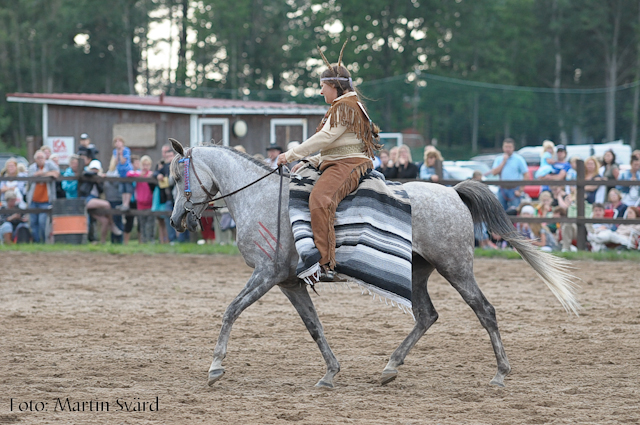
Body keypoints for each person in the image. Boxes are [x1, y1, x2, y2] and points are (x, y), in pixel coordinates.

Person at [276, 43, 381, 282]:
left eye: (323, 86)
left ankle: (325, 264)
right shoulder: (343, 106)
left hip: (347, 165)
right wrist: (309, 162)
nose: (321, 91)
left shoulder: (345, 107)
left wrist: (291, 155)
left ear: (334, 86)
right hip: (340, 161)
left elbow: (325, 138)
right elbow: (333, 146)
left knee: (320, 199)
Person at [486, 138, 529, 211]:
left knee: (515, 211)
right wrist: (504, 161)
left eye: (510, 147)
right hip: (502, 188)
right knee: (500, 211)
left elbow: (526, 174)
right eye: (506, 147)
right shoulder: (499, 159)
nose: (508, 149)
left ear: (513, 148)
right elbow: (494, 173)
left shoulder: (519, 159)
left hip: (514, 188)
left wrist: (520, 190)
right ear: (503, 147)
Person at [26, 150, 60, 243]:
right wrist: (45, 174)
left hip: (46, 201)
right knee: (33, 223)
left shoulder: (50, 165)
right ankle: (36, 242)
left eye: (42, 157)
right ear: (35, 159)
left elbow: (56, 173)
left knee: (42, 222)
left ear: (45, 158)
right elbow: (30, 177)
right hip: (33, 200)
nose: (40, 160)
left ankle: (44, 241)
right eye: (38, 158)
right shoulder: (32, 167)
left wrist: (42, 173)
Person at [128, 155, 156, 243]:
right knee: (142, 224)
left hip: (150, 203)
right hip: (140, 203)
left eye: (147, 165)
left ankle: (151, 240)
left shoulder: (152, 175)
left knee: (150, 224)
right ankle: (143, 241)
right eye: (143, 165)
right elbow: (128, 174)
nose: (145, 167)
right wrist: (141, 175)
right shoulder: (137, 174)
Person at [112, 136, 134, 211]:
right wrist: (117, 154)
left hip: (127, 172)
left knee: (128, 188)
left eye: (119, 141)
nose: (118, 143)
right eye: (116, 142)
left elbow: (123, 161)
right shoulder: (115, 151)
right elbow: (116, 162)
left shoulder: (126, 150)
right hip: (120, 172)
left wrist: (120, 153)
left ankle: (126, 204)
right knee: (122, 189)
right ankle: (123, 203)